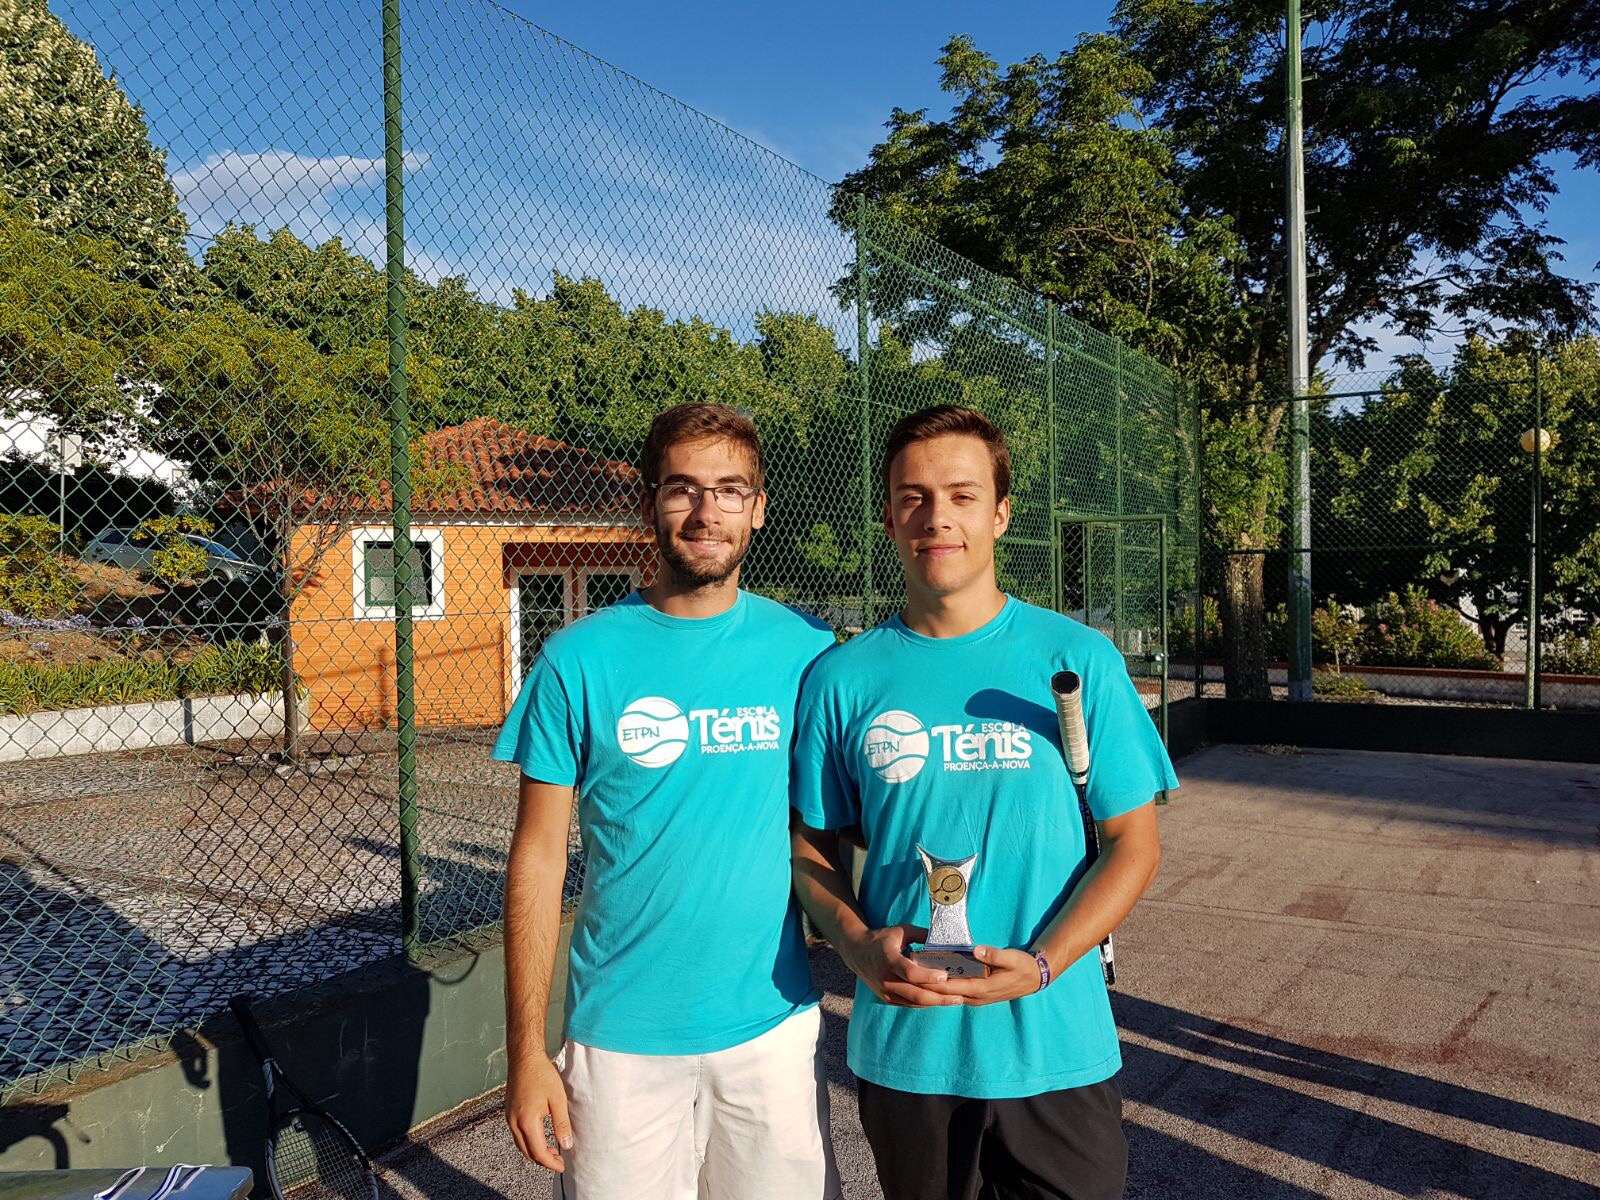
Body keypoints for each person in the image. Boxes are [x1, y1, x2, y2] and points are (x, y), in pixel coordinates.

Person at [790, 404, 1174, 1200]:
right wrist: (859, 946)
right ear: (889, 516)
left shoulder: (1076, 658)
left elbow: (1133, 843)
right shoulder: (841, 678)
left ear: (1000, 513)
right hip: (912, 1047)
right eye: (914, 497)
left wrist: (1039, 966)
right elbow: (811, 847)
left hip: (1055, 1041)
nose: (938, 519)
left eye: (962, 496)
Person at [495, 402, 840, 1199]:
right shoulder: (577, 658)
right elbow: (539, 859)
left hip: (771, 1029)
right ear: (648, 502)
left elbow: (843, 822)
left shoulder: (808, 653)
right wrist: (525, 1054)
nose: (705, 510)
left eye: (728, 490)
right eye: (683, 488)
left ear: (758, 507)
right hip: (618, 1044)